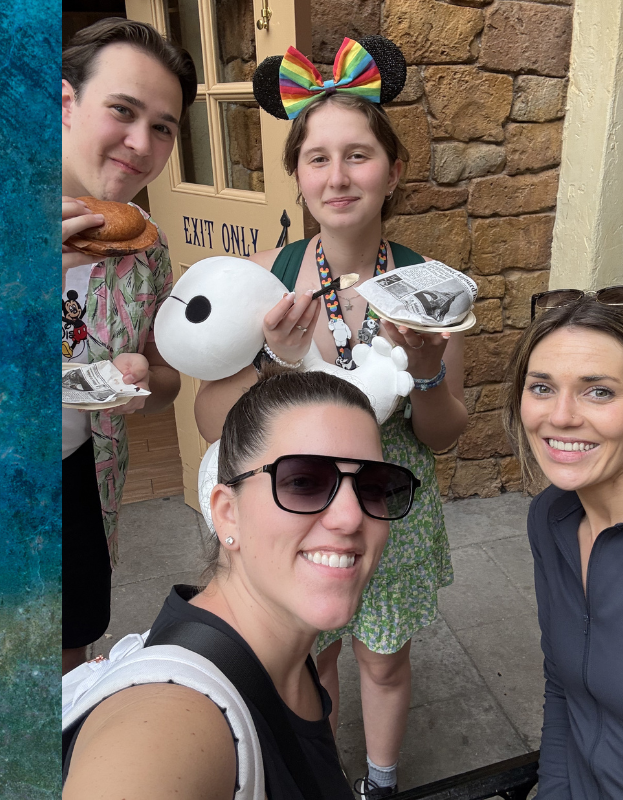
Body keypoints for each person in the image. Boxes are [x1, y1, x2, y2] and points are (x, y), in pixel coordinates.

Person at [194, 36, 468, 797]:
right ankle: (318, 776)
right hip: (299, 504)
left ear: (394, 171)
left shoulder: (435, 290)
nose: (338, 176)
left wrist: (428, 372)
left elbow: (445, 433)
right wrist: (272, 364)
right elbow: (213, 424)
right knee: (310, 656)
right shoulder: (264, 284)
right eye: (318, 158)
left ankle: (379, 784)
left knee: (382, 656)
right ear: (296, 176)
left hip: (395, 508)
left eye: (359, 155)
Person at [63, 370, 421, 799]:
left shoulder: (283, 657)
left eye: (374, 487)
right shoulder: (172, 722)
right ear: (227, 514)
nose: (350, 517)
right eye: (303, 481)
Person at [61, 19, 197, 674]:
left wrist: (143, 380)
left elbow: (167, 375)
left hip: (82, 476)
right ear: (64, 103)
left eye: (164, 126)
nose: (141, 144)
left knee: (72, 636)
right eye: (122, 110)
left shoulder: (146, 245)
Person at [502, 289, 623, 799]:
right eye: (542, 387)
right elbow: (563, 687)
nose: (562, 416)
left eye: (599, 392)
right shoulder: (551, 518)